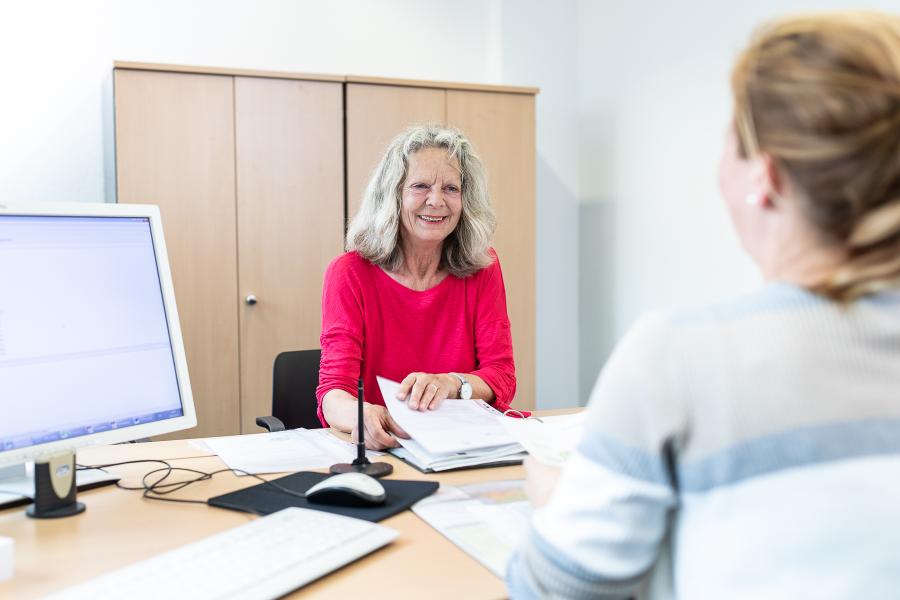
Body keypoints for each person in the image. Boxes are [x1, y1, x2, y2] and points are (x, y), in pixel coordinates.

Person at [507, 11, 900, 599]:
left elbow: (557, 588)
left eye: (729, 142)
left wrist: (554, 505)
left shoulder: (680, 357)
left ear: (765, 177)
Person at [316, 125, 516, 449]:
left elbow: (501, 376)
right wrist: (362, 416)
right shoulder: (349, 273)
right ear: (393, 195)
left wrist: (452, 384)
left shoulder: (483, 268)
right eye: (420, 186)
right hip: (387, 449)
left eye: (450, 188)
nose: (436, 201)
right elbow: (333, 392)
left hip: (462, 445)